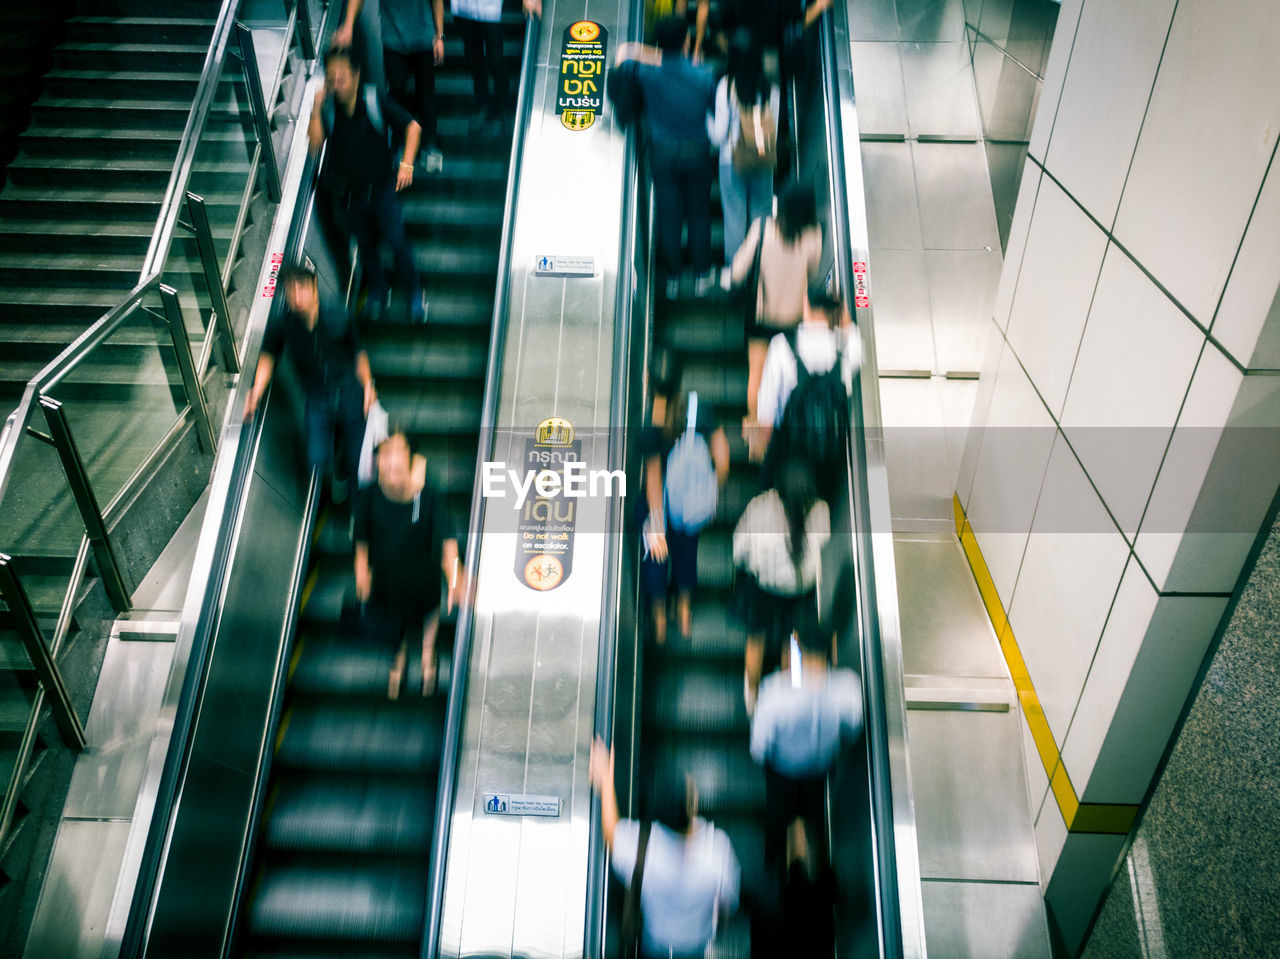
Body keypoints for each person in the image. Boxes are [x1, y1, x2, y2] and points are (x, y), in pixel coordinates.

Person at [590, 738, 740, 959]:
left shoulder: (643, 845)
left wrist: (605, 780)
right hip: (697, 945)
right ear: (692, 805)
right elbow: (728, 906)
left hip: (654, 945)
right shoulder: (718, 849)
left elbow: (612, 833)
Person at [310, 46, 424, 322]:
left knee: (397, 242)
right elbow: (314, 146)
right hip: (351, 196)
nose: (337, 83)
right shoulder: (329, 109)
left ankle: (414, 292)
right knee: (366, 246)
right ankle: (377, 290)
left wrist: (406, 165)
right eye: (332, 77)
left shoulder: (373, 100)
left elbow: (413, 127)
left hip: (384, 189)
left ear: (356, 75)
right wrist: (315, 108)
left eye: (342, 76)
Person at [245, 264, 374, 495]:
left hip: (348, 392)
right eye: (290, 289)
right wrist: (256, 392)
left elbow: (358, 353)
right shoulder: (284, 325)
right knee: (316, 455)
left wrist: (367, 385)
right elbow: (268, 356)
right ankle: (336, 459)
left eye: (301, 287)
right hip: (316, 398)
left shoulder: (337, 316)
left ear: (314, 285)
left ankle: (354, 488)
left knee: (355, 455)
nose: (296, 296)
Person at [354, 431, 462, 697]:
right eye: (385, 454)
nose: (391, 462)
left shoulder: (429, 495)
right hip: (387, 579)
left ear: (413, 461)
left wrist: (455, 579)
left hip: (423, 575)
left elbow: (449, 542)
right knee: (392, 616)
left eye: (398, 453)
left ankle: (428, 653)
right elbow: (361, 541)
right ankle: (399, 655)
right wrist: (362, 573)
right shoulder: (369, 497)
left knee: (429, 611)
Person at [749, 608, 862, 856]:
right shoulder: (848, 688)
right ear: (832, 646)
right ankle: (818, 859)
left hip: (781, 769)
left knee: (779, 813)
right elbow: (853, 730)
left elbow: (758, 748)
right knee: (814, 812)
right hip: (820, 769)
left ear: (796, 647)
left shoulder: (774, 691)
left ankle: (776, 855)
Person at [620, 17, 716, 299]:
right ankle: (701, 274)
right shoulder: (704, 75)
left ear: (659, 44)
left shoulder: (648, 74)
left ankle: (672, 277)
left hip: (662, 154)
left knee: (669, 214)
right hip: (697, 152)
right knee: (699, 214)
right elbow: (714, 110)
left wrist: (652, 53)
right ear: (686, 40)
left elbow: (623, 56)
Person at [639, 362, 730, 644]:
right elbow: (723, 457)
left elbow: (653, 477)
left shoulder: (652, 422)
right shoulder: (698, 407)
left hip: (661, 504)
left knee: (656, 558)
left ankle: (660, 619)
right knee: (687, 554)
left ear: (650, 382)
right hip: (691, 503)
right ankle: (685, 611)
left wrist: (656, 521)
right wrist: (710, 495)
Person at [733, 463, 829, 710]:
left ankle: (751, 698)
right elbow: (823, 542)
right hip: (801, 593)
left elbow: (739, 549)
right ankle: (789, 700)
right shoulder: (820, 509)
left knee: (756, 639)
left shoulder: (760, 507)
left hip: (764, 590)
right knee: (793, 643)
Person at [733, 181, 823, 430]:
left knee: (757, 376)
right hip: (793, 319)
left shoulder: (763, 229)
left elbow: (739, 272)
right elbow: (813, 273)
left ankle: (756, 440)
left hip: (762, 316)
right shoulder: (814, 235)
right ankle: (783, 430)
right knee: (786, 377)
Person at [753, 280, 859, 473]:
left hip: (793, 456)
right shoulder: (848, 347)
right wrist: (840, 310)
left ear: (805, 307)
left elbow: (767, 407)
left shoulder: (782, 345)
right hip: (832, 456)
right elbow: (850, 329)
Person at [337, 0, 447, 174]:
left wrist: (439, 36)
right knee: (396, 94)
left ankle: (429, 146)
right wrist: (349, 25)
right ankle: (399, 147)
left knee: (426, 95)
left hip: (424, 37)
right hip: (393, 40)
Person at [707, 38, 779, 285]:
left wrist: (707, 121)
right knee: (762, 215)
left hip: (731, 160)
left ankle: (736, 273)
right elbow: (774, 130)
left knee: (734, 217)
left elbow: (718, 136)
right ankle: (761, 267)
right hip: (763, 160)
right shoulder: (772, 89)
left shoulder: (727, 86)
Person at [452, 0, 511, 137]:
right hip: (464, 9)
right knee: (473, 58)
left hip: (490, 8)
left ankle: (501, 108)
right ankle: (482, 105)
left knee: (495, 59)